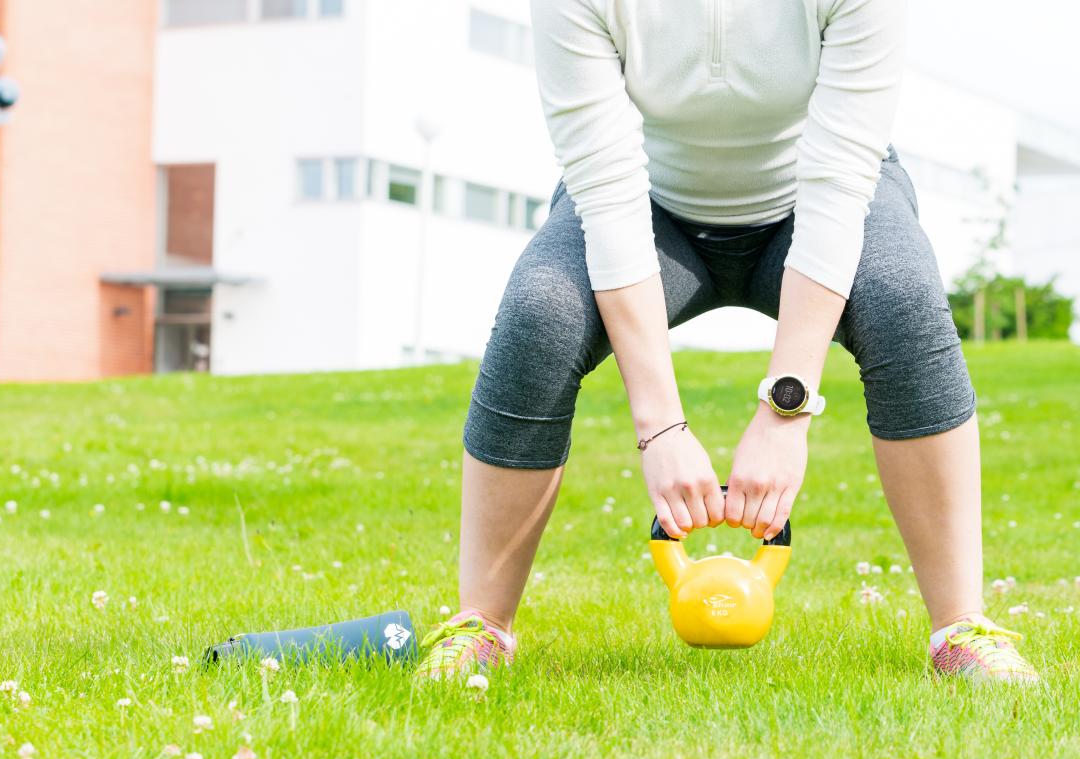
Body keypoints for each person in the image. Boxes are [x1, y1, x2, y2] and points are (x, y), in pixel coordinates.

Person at [415, 0, 1038, 683]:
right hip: (648, 205)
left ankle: (961, 628)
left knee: (898, 293)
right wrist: (660, 428)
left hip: (813, 199)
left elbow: (836, 189)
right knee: (544, 311)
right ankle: (481, 625)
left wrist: (785, 410)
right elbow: (609, 191)